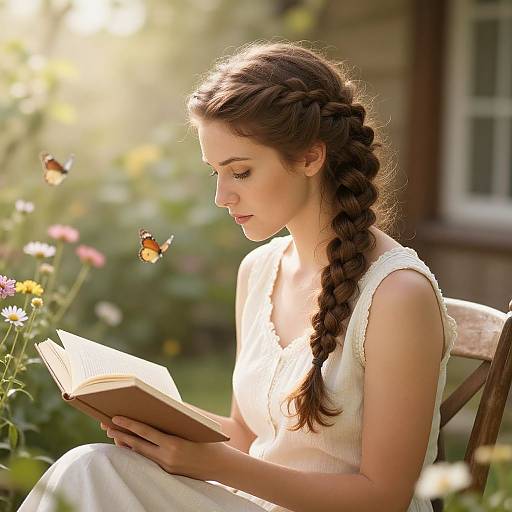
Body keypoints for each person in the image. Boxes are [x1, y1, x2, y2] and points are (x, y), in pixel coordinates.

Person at [18, 41, 457, 512]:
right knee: (91, 467)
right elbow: (246, 435)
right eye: (215, 174)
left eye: (241, 172)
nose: (222, 197)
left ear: (310, 158)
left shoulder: (397, 296)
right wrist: (149, 421)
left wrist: (213, 465)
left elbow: (382, 497)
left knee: (91, 477)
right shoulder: (260, 271)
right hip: (251, 503)